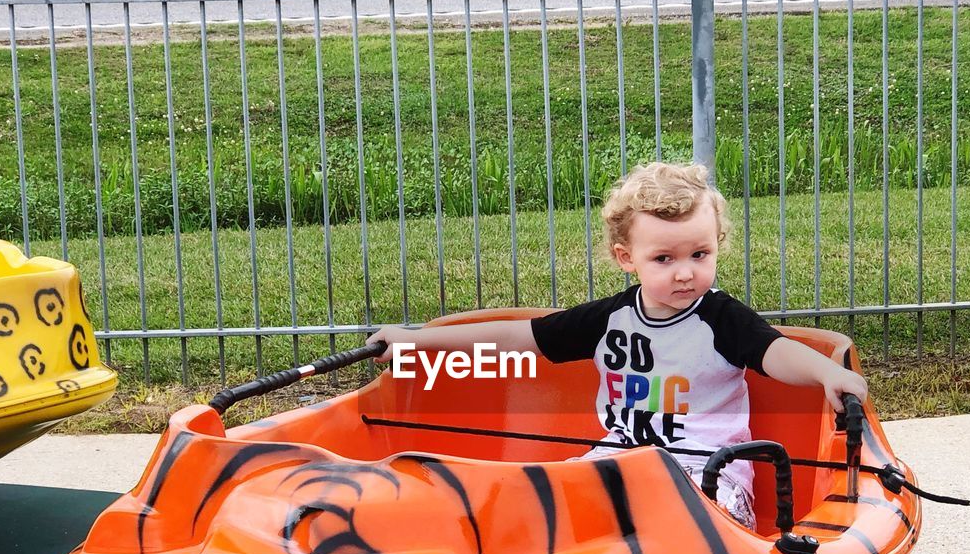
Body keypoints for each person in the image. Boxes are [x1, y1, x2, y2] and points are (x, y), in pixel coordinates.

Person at [367, 162, 867, 530]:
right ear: (627, 258)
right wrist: (415, 342)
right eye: (664, 258)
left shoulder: (720, 317)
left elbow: (774, 351)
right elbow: (517, 335)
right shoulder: (611, 318)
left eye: (700, 253)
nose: (686, 271)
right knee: (537, 509)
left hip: (705, 474)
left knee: (676, 530)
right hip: (619, 460)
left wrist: (827, 373)